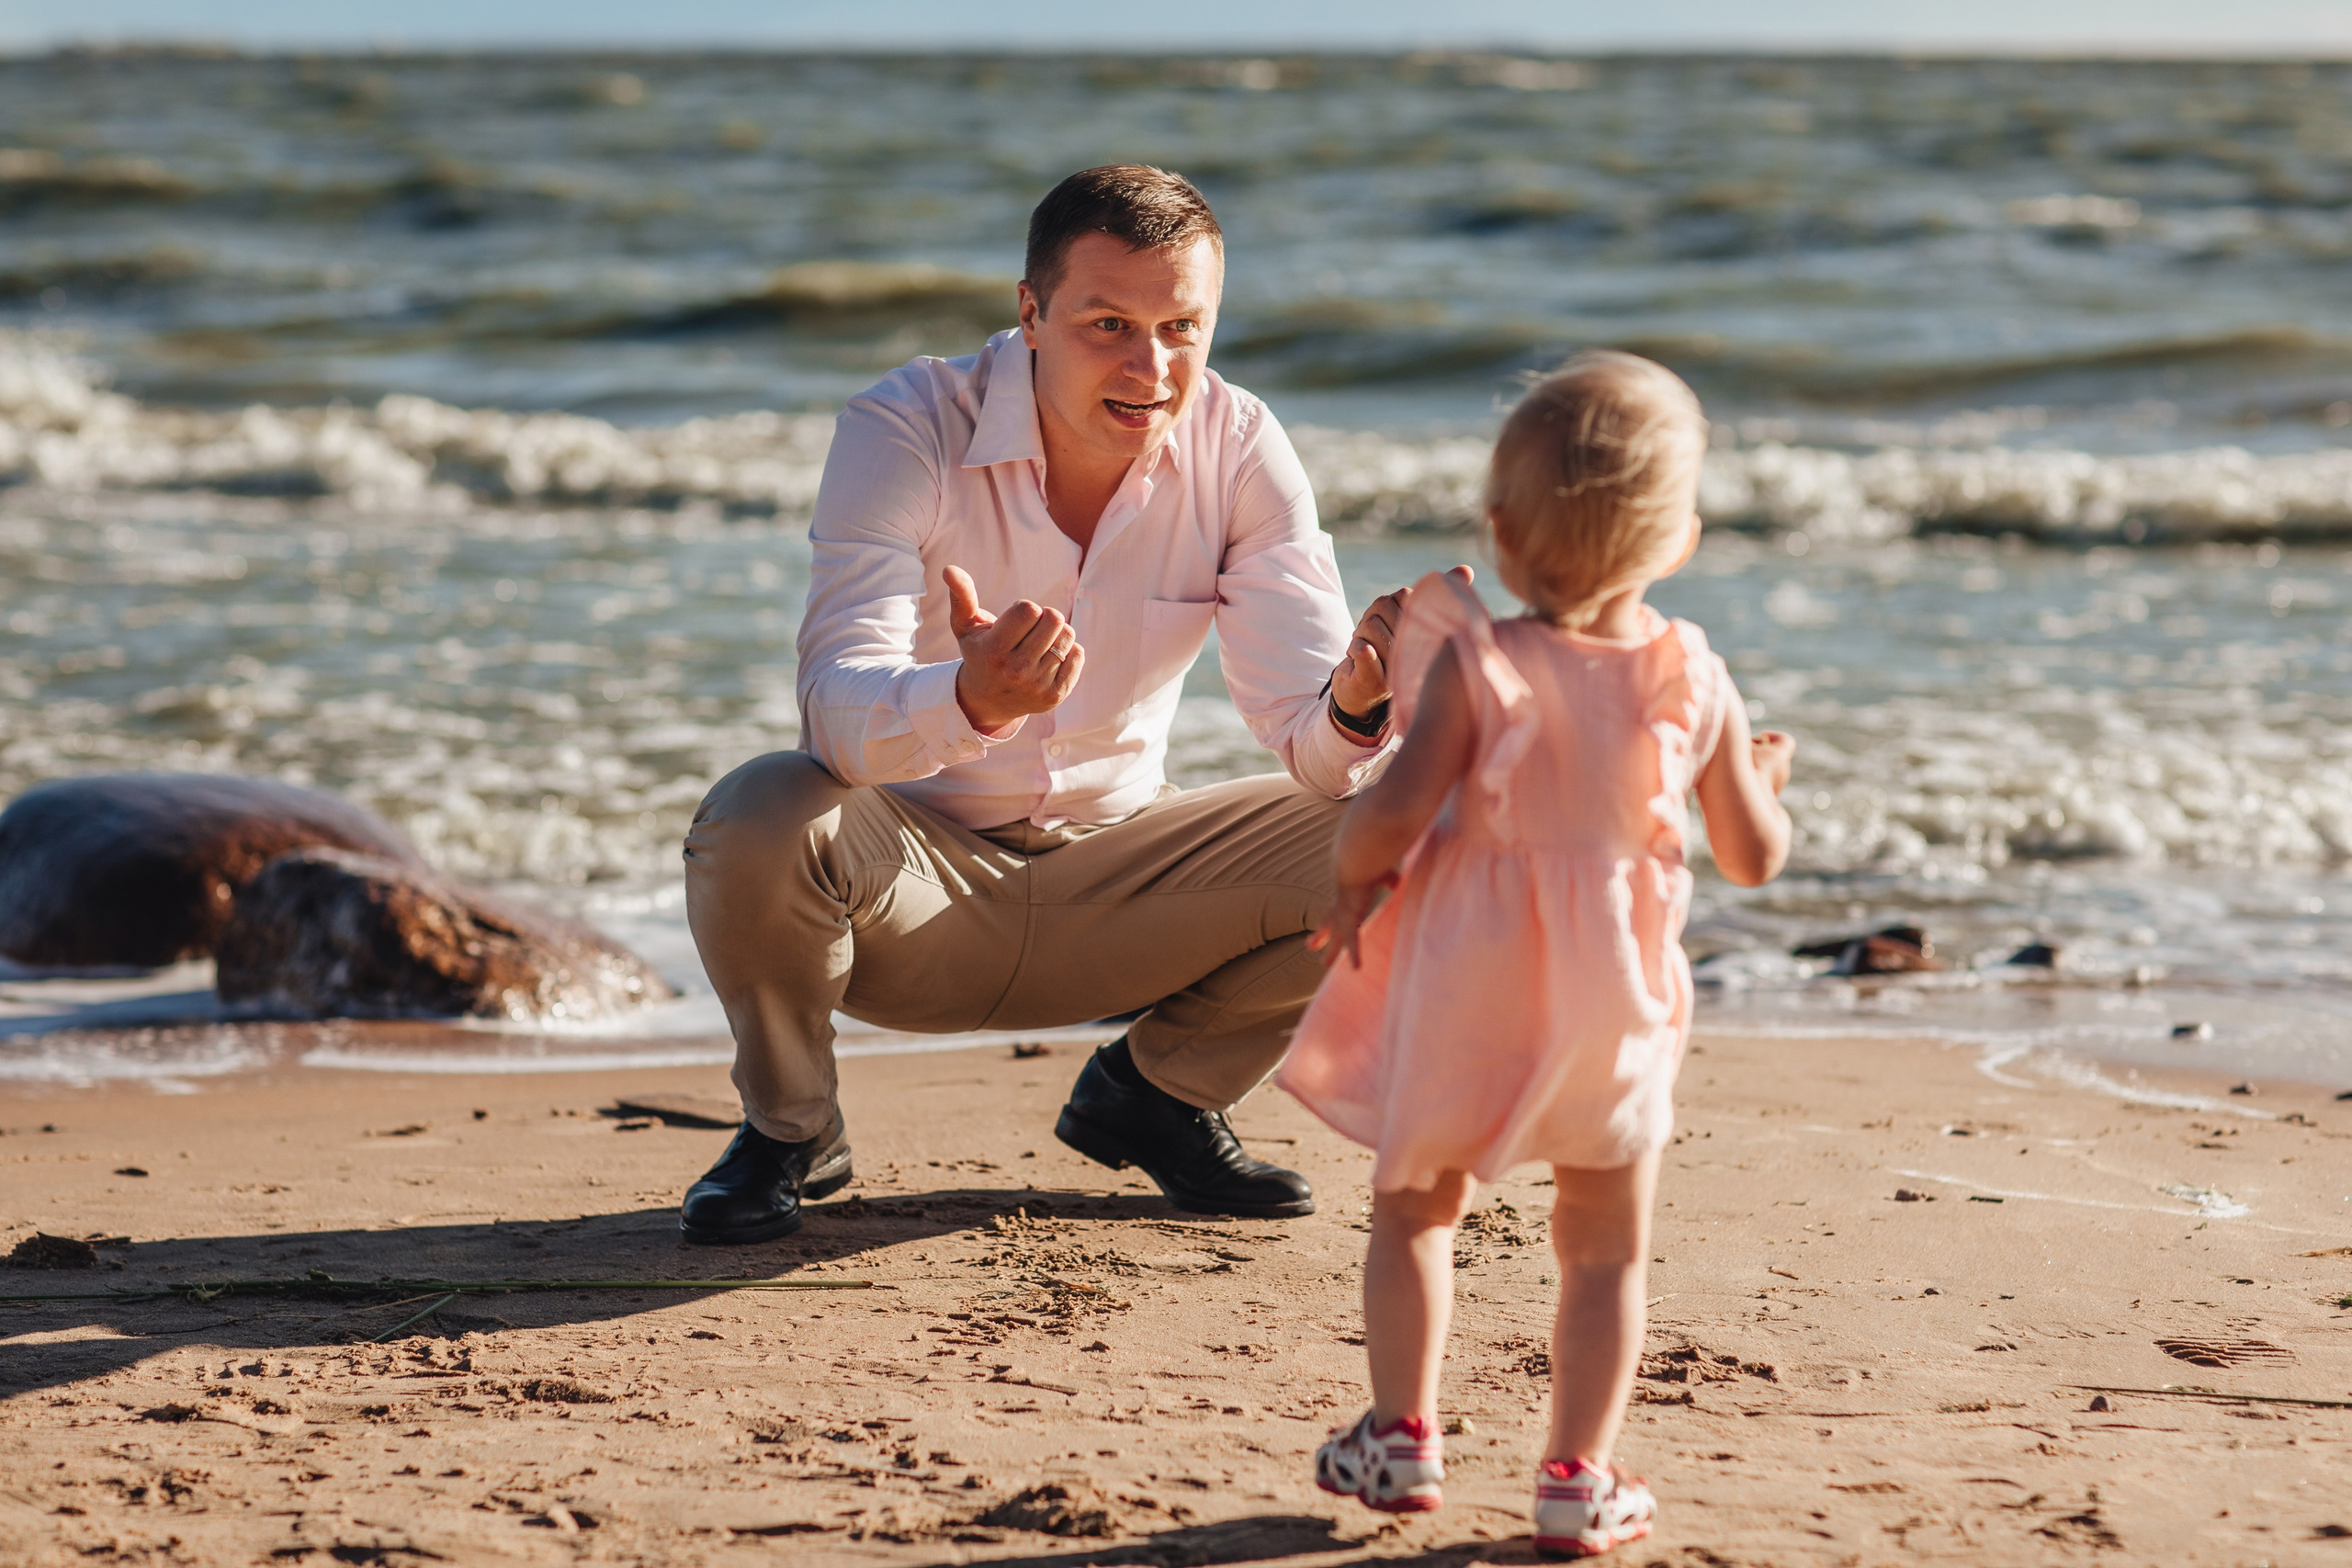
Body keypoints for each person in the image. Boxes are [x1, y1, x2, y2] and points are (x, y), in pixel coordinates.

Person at [675, 165, 1444, 1245]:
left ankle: (1161, 1095)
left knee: (1416, 825)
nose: (1153, 367)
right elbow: (834, 715)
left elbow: (1317, 757)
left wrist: (1360, 700)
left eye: (1184, 327)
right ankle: (792, 1127)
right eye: (1109, 325)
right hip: (910, 893)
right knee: (757, 812)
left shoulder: (1237, 443)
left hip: (1126, 881)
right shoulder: (906, 426)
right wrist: (968, 700)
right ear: (1030, 313)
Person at [1278, 353, 1795, 1559]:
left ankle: (1402, 1431)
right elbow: (1752, 855)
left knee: (1415, 1206)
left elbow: (1389, 816)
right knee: (1605, 1242)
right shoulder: (1691, 673)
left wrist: (1353, 886)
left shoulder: (1478, 664)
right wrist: (1762, 777)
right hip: (1614, 998)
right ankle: (1578, 1473)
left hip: (1470, 985)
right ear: (1681, 540)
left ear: (1501, 536)